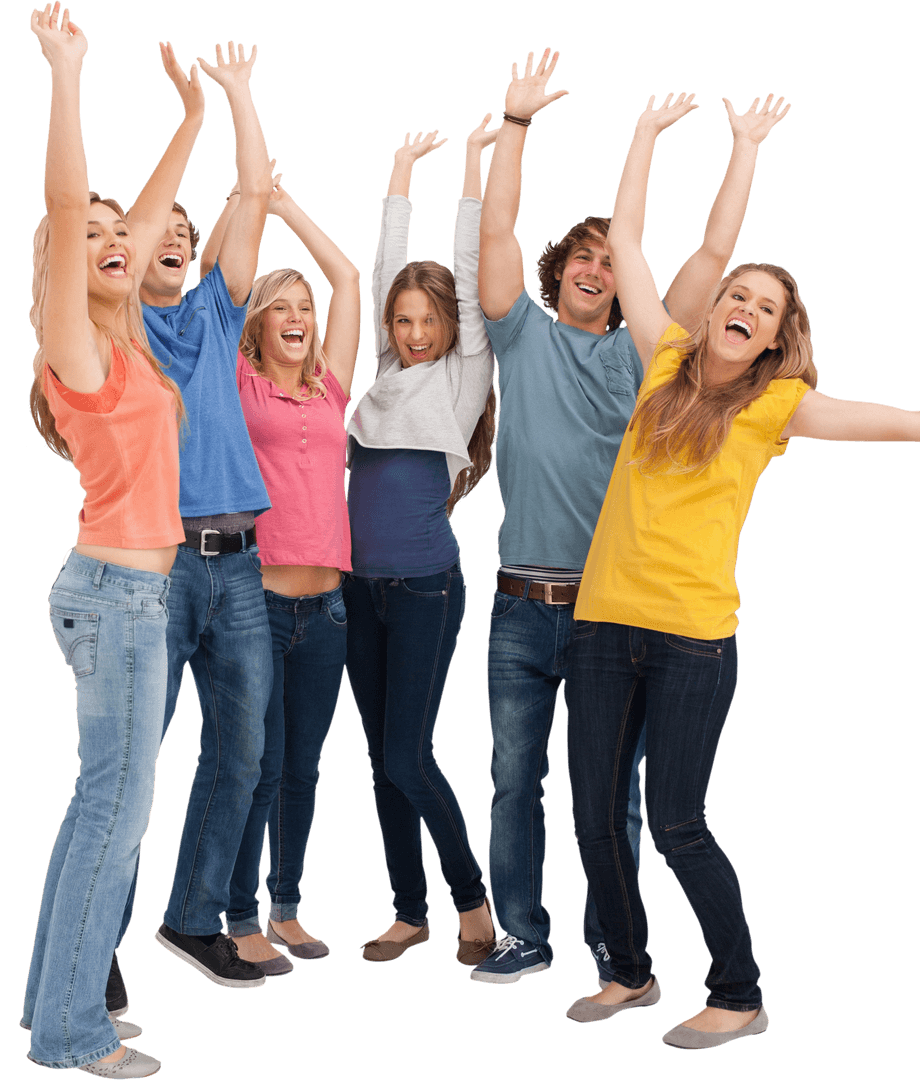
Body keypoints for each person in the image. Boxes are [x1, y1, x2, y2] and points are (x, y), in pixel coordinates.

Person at [563, 91, 918, 1047]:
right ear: (714, 312)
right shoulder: (660, 357)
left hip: (692, 642)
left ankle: (740, 992)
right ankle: (629, 974)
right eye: (737, 297)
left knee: (675, 822)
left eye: (764, 310)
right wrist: (648, 136)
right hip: (601, 626)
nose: (745, 310)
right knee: (596, 822)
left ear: (772, 339)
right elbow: (631, 242)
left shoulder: (779, 406)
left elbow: (892, 419)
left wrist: (748, 150)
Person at [472, 49, 783, 985]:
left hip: (618, 613)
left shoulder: (655, 355)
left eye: (612, 262)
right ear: (558, 268)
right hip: (521, 607)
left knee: (623, 804)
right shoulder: (517, 331)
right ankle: (522, 931)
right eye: (585, 257)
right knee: (514, 785)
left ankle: (620, 945)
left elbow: (708, 258)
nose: (599, 270)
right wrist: (516, 129)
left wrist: (740, 150)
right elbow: (496, 231)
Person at [22, 5, 202, 1074]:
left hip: (127, 597)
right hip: (118, 600)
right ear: (53, 268)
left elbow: (143, 217)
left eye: (116, 235)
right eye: (86, 239)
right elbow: (63, 201)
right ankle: (70, 1034)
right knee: (110, 824)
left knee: (95, 817)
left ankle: (61, 1006)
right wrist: (67, 75)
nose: (114, 242)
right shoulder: (73, 345)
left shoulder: (124, 342)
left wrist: (185, 120)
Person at [127, 39, 275, 991]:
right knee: (134, 764)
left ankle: (192, 920)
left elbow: (252, 190)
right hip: (157, 562)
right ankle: (98, 946)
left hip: (242, 567)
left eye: (187, 229)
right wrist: (182, 132)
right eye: (159, 232)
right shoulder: (123, 325)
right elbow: (132, 235)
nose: (173, 236)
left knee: (244, 747)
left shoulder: (220, 311)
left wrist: (237, 96)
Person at [197, 172, 361, 974]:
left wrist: (290, 204)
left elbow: (351, 279)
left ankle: (287, 907)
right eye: (280, 308)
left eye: (304, 309)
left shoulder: (334, 387)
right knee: (254, 765)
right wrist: (243, 202)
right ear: (256, 326)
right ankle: (236, 914)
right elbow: (211, 292)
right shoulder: (236, 383)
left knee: (303, 767)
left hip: (328, 609)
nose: (297, 318)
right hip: (255, 603)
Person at [344, 119, 497, 964]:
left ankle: (471, 901)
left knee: (410, 752)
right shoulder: (382, 373)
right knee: (381, 759)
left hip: (426, 589)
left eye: (424, 319)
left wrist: (469, 170)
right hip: (356, 590)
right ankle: (410, 910)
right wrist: (397, 172)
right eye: (401, 320)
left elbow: (471, 283)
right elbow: (380, 275)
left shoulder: (463, 375)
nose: (411, 332)